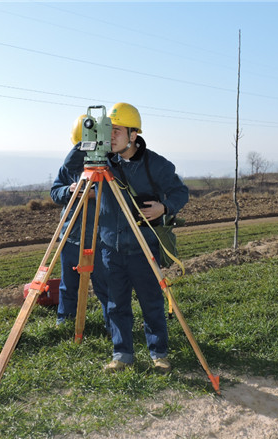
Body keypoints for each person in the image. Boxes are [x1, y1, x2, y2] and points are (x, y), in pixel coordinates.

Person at [98, 102, 189, 373]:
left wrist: (164, 207)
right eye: (108, 131)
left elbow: (180, 192)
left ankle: (158, 353)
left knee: (151, 302)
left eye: (117, 131)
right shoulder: (102, 164)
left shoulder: (157, 165)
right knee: (116, 304)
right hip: (110, 247)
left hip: (143, 247)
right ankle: (122, 354)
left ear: (133, 135)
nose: (110, 137)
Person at [49, 114, 110, 331]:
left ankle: (112, 324)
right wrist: (69, 191)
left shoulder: (108, 165)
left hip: (100, 236)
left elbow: (123, 194)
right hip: (71, 235)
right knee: (68, 285)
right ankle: (64, 322)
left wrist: (98, 193)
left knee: (105, 285)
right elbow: (55, 192)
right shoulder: (70, 167)